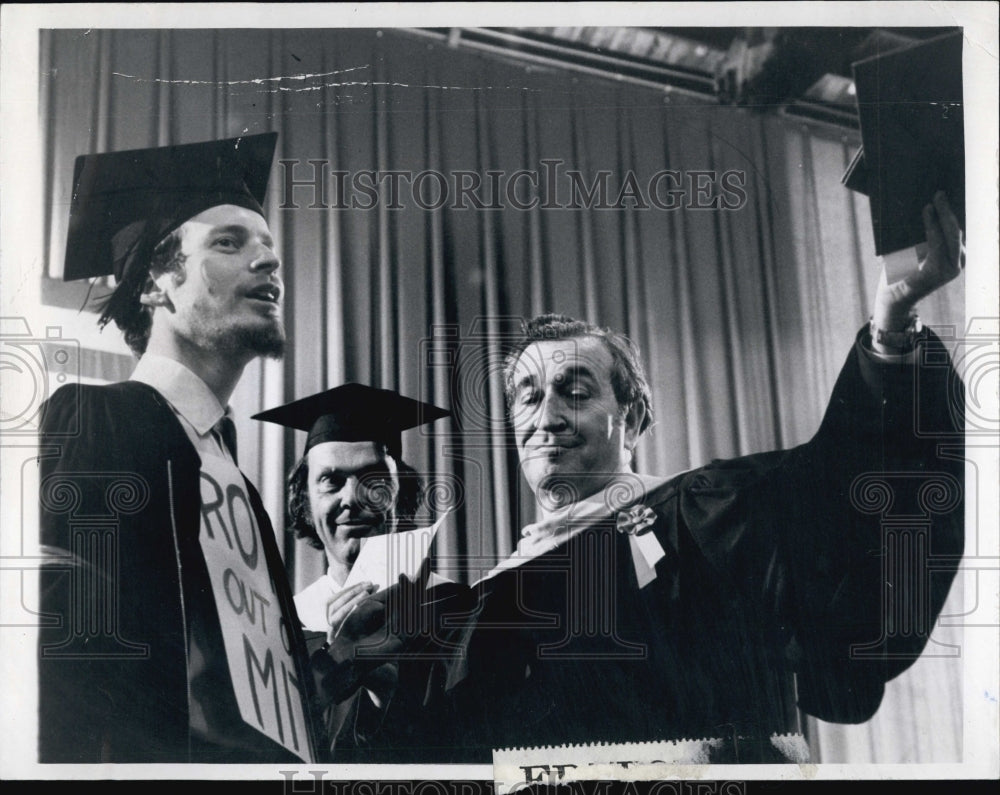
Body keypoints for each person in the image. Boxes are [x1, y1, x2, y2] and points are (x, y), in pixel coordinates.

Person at [329, 193, 966, 763]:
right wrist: (380, 675)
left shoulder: (703, 518)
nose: (545, 416)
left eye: (574, 391)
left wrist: (892, 324)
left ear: (630, 418)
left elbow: (841, 487)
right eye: (526, 396)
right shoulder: (484, 602)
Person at [36, 133, 323, 763]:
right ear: (155, 285)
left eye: (268, 245)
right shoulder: (97, 420)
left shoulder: (237, 482)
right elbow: (69, 663)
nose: (269, 261)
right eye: (229, 242)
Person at [253, 383, 450, 759]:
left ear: (400, 493)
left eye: (373, 479)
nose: (351, 498)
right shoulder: (284, 627)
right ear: (306, 503)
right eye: (331, 480)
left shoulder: (456, 609)